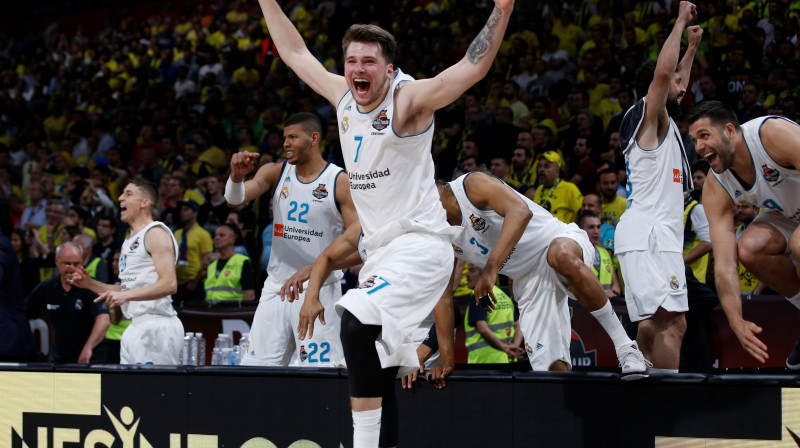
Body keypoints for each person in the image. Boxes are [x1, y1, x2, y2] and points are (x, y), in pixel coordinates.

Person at [252, 1, 514, 445]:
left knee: (354, 322)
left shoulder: (408, 100)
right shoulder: (343, 96)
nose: (359, 69)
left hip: (421, 246)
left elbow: (472, 68)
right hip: (379, 253)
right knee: (378, 364)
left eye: (369, 61)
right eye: (352, 60)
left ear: (389, 70)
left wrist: (502, 10)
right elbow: (295, 53)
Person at [438, 172, 647, 375]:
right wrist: (447, 362)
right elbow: (444, 297)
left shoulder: (472, 185)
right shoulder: (435, 233)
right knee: (549, 367)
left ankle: (626, 347)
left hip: (556, 240)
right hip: (528, 278)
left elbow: (520, 211)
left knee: (559, 255)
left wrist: (491, 269)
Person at [225, 112, 356, 367]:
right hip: (276, 288)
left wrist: (317, 267)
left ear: (314, 138)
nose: (285, 143)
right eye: (284, 137)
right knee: (254, 372)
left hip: (318, 289)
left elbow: (362, 246)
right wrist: (237, 176)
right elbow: (234, 200)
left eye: (293, 137)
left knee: (319, 374)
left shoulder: (339, 182)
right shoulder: (275, 171)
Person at [615, 2, 702, 374]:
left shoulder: (656, 121)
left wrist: (692, 48)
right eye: (676, 83)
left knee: (653, 323)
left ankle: (643, 386)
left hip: (648, 234)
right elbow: (666, 75)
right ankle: (666, 394)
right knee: (674, 323)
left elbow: (673, 78)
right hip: (651, 234)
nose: (683, 88)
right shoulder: (650, 117)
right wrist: (680, 21)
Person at [685, 100, 800, 366]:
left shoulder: (771, 134)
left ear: (729, 131)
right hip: (790, 214)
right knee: (748, 248)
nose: (699, 147)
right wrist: (735, 320)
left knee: (798, 243)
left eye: (704, 135)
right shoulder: (716, 186)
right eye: (694, 140)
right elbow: (725, 265)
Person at [69, 179, 184, 365]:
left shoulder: (155, 233)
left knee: (154, 385)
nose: (120, 198)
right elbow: (126, 290)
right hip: (135, 326)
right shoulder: (129, 240)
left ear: (144, 202)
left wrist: (125, 295)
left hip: (156, 325)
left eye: (128, 194)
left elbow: (169, 284)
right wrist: (90, 283)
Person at [25, 242, 110, 363]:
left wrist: (88, 347)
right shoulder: (47, 287)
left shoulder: (91, 287)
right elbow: (24, 312)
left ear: (82, 263)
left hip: (89, 359)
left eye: (76, 264)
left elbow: (104, 319)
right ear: (57, 262)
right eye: (67, 264)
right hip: (59, 360)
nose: (71, 268)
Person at [463, 263, 523, 364]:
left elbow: (483, 329)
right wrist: (514, 346)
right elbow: (518, 325)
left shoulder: (479, 296)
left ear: (484, 275)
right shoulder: (504, 296)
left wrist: (505, 347)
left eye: (472, 270)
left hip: (484, 362)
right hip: (507, 360)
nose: (467, 274)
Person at [173, 199, 213, 301]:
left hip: (194, 283)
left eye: (186, 209)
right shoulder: (177, 233)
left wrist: (195, 282)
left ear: (195, 213)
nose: (182, 212)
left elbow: (207, 261)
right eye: (181, 209)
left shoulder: (203, 234)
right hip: (176, 283)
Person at [204, 223, 255, 301]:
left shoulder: (242, 262)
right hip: (211, 308)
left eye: (221, 235)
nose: (217, 238)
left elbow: (249, 294)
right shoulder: (211, 266)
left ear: (233, 239)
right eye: (215, 235)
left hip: (232, 308)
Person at [529, 151, 583, 224]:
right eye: (539, 166)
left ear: (557, 171)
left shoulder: (569, 188)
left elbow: (583, 213)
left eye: (546, 166)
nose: (541, 169)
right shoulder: (539, 189)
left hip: (561, 230)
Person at [578, 213, 622, 298]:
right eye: (591, 227)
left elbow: (616, 284)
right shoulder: (575, 253)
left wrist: (613, 292)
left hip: (606, 302)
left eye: (598, 227)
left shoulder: (604, 252)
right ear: (580, 230)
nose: (596, 231)